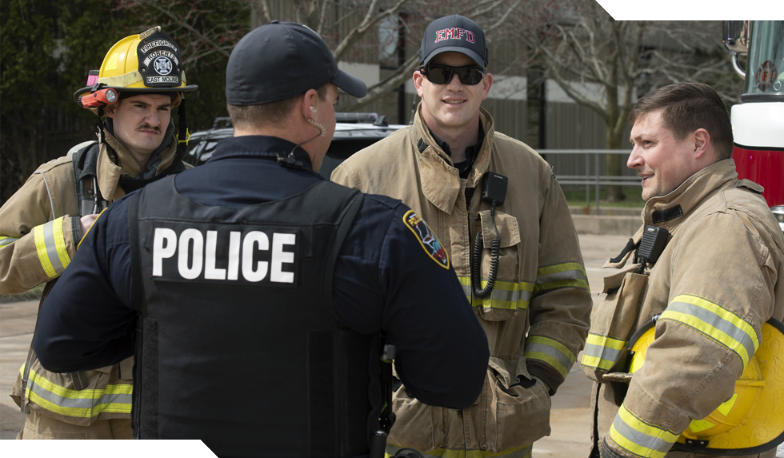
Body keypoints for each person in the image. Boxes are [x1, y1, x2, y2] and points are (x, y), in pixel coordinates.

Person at [32, 20, 490, 456]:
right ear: (311, 105)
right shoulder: (375, 229)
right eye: (332, 101)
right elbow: (455, 381)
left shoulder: (135, 219)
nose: (332, 116)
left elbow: (60, 345)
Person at [331, 14, 593, 458]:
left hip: (504, 437)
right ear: (418, 81)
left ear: (487, 83)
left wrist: (537, 382)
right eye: (440, 72)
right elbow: (335, 315)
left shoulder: (533, 174)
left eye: (468, 73)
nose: (454, 85)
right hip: (404, 436)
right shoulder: (361, 176)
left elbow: (565, 296)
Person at [0, 27, 196, 440]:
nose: (154, 119)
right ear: (108, 108)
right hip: (63, 417)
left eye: (163, 107)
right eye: (139, 104)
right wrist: (70, 238)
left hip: (159, 410)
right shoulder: (60, 183)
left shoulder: (197, 190)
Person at [581, 82, 784, 458]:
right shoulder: (679, 218)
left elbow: (692, 357)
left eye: (647, 144)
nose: (632, 159)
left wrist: (621, 451)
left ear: (698, 144)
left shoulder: (724, 225)